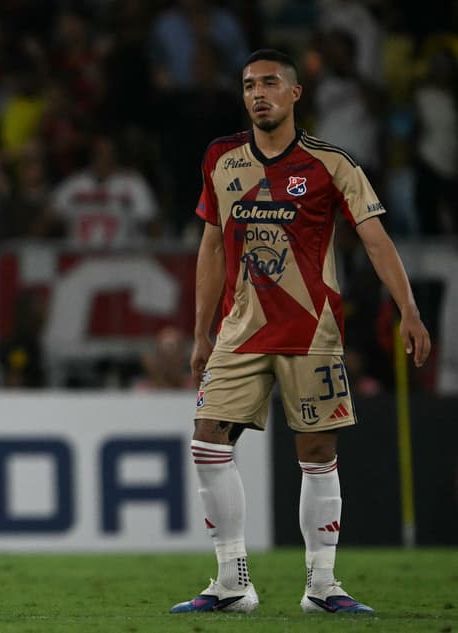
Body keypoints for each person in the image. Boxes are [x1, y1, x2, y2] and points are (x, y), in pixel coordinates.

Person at [170, 49, 430, 615]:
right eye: (247, 85)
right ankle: (232, 582)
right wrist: (200, 332)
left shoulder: (331, 163)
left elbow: (375, 238)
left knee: (316, 451)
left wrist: (407, 308)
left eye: (268, 83)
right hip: (239, 331)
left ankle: (322, 586)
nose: (257, 93)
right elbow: (211, 245)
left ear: (294, 94)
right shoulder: (221, 157)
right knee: (207, 441)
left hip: (312, 331)